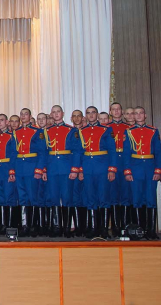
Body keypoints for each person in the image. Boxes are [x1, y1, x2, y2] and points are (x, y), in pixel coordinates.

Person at [123, 106, 161, 239]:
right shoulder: (128, 132)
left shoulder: (153, 131)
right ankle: (139, 230)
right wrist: (127, 171)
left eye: (141, 113)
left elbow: (158, 152)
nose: (139, 115)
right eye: (136, 113)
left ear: (145, 115)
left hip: (150, 167)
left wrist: (158, 170)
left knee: (151, 199)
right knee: (137, 199)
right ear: (133, 116)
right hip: (135, 168)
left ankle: (151, 230)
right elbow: (126, 153)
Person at [78, 106, 117, 238]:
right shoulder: (82, 131)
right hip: (87, 166)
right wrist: (80, 169)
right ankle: (94, 228)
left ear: (97, 114)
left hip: (102, 166)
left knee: (104, 197)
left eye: (93, 112)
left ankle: (104, 229)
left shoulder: (106, 130)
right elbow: (80, 152)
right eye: (88, 113)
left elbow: (112, 150)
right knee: (90, 197)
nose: (91, 115)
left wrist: (112, 169)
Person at [43, 105, 81, 237]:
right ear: (51, 114)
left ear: (63, 113)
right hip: (52, 168)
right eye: (53, 112)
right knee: (54, 197)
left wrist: (74, 169)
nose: (56, 114)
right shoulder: (46, 131)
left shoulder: (72, 130)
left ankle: (67, 228)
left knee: (67, 197)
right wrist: (44, 170)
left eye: (58, 111)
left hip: (66, 167)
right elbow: (44, 153)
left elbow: (77, 151)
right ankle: (57, 227)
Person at [13, 114, 47, 237]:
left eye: (25, 114)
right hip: (19, 167)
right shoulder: (16, 132)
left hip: (31, 167)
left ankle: (33, 226)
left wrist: (39, 169)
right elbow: (13, 152)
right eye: (21, 114)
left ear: (30, 116)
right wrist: (12, 170)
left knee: (33, 197)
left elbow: (42, 152)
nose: (23, 116)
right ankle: (24, 226)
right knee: (22, 197)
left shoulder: (37, 132)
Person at [0, 114, 18, 234]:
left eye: (2, 120)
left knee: (9, 197)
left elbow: (13, 154)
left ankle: (9, 225)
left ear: (7, 122)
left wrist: (12, 171)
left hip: (7, 168)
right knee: (0, 197)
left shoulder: (12, 136)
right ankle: (2, 224)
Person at [108, 102, 132, 235]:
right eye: (114, 109)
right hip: (111, 162)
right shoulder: (106, 128)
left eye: (118, 109)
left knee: (126, 194)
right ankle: (115, 227)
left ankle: (125, 226)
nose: (116, 111)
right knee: (113, 194)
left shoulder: (129, 128)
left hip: (125, 161)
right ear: (110, 112)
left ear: (122, 112)